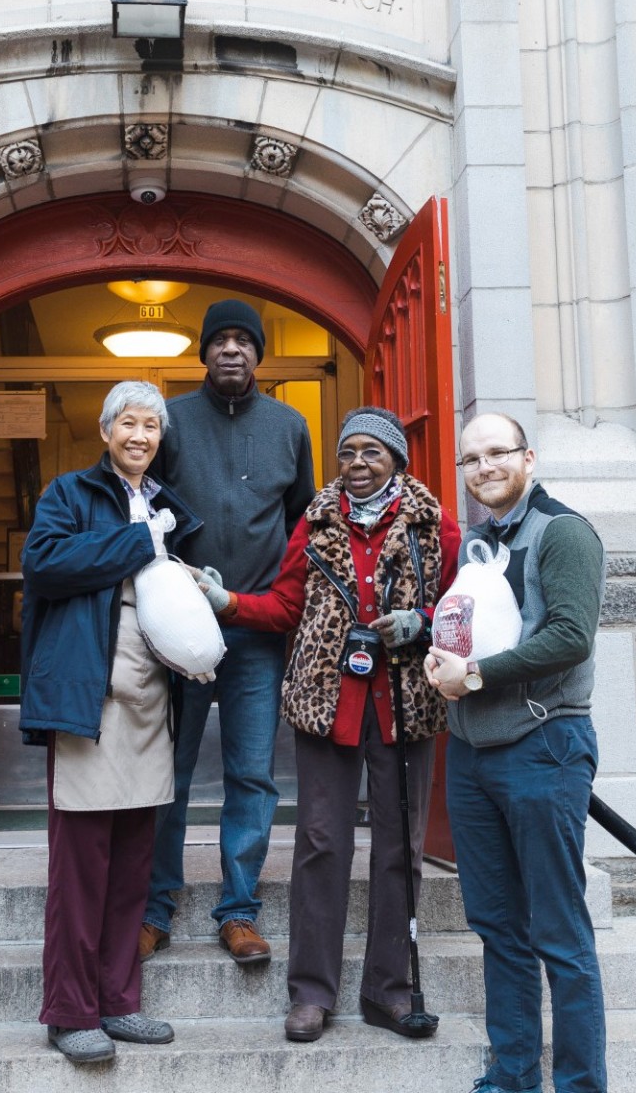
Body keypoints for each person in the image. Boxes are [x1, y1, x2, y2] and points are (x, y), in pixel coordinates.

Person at [197, 407, 460, 1043]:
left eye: (372, 452)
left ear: (396, 459)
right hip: (327, 705)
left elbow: (457, 606)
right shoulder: (314, 524)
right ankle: (312, 993)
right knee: (320, 845)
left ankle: (389, 990)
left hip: (404, 706)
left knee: (400, 848)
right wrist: (227, 601)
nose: (358, 465)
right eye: (348, 453)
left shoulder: (435, 527)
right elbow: (287, 603)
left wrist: (422, 620)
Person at [423, 413, 608, 1093]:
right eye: (471, 459)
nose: (483, 468)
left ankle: (582, 1085)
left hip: (543, 747)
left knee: (558, 933)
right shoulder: (476, 541)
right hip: (472, 753)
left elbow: (568, 638)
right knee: (498, 927)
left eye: (497, 453)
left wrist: (471, 677)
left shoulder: (563, 532)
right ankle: (513, 1076)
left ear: (528, 457)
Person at [19, 381, 198, 1066]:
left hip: (152, 697)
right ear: (105, 431)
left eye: (152, 426)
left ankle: (120, 1001)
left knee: (131, 866)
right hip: (86, 698)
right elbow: (46, 564)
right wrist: (136, 542)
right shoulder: (69, 494)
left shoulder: (169, 505)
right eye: (129, 423)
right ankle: (70, 1011)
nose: (140, 436)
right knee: (82, 865)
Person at [143, 299, 315, 966]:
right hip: (177, 632)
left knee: (251, 775)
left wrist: (278, 601)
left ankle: (238, 912)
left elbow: (302, 523)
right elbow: (145, 512)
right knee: (170, 773)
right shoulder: (172, 422)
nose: (233, 351)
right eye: (221, 340)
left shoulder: (290, 426)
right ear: (204, 353)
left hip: (256, 630)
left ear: (260, 353)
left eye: (245, 340)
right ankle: (155, 907)